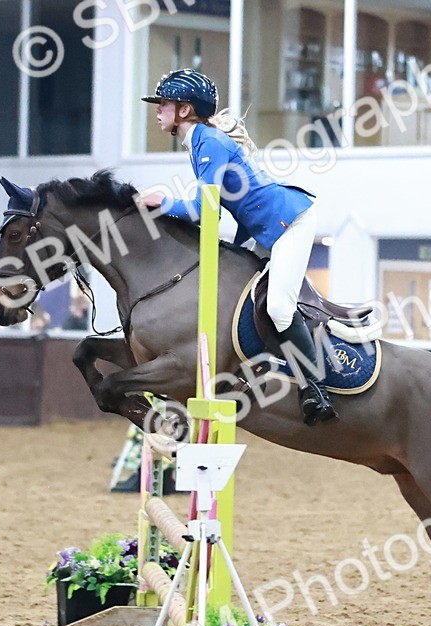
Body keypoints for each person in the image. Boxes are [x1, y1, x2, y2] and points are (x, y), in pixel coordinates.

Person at [139, 69, 336, 426]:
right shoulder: (199, 142)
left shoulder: (208, 142)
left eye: (163, 103)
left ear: (184, 110)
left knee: (279, 307)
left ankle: (315, 389)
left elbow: (205, 211)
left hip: (290, 222)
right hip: (263, 229)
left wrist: (162, 201)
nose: (157, 109)